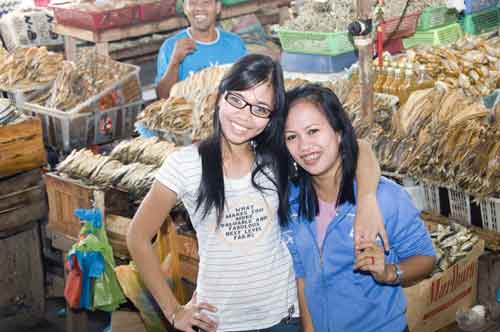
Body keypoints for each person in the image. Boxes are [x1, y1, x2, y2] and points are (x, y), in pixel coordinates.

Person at [128, 54, 384, 332]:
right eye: (237, 99)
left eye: (260, 108)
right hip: (218, 321)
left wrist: (368, 200)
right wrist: (174, 311)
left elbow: (361, 148)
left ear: (272, 116)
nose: (245, 116)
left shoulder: (278, 159)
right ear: (220, 96)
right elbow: (137, 236)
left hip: (283, 316)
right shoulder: (186, 164)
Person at [281, 83, 436, 332]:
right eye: (291, 137)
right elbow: (303, 277)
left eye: (313, 131)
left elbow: (425, 258)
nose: (304, 146)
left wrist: (388, 272)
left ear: (339, 133)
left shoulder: (385, 197)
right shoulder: (292, 204)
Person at [155, 0, 247, 99]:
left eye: (206, 2)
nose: (199, 8)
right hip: (190, 113)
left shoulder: (235, 44)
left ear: (218, 7)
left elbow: (248, 86)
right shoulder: (171, 46)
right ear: (185, 8)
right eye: (192, 3)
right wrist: (175, 61)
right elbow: (163, 96)